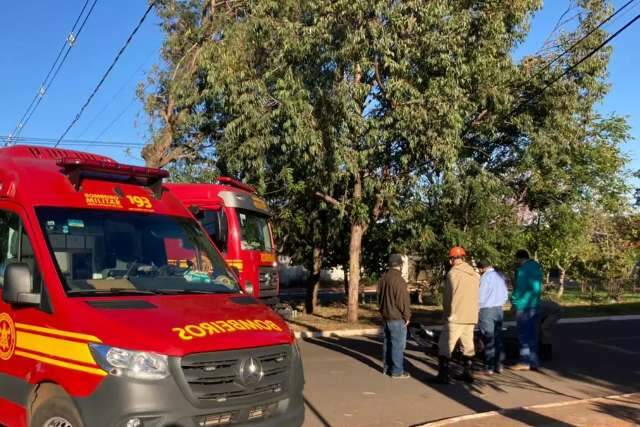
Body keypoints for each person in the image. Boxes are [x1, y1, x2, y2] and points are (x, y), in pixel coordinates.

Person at [436, 246, 480, 384]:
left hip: (456, 316)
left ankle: (443, 375)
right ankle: (468, 373)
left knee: (445, 345)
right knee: (468, 345)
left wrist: (447, 314)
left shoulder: (453, 274)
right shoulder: (474, 274)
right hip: (471, 316)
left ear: (452, 259)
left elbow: (448, 298)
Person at [377, 254, 411, 379]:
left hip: (386, 316)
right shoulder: (399, 280)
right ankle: (397, 371)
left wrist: (382, 311)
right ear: (400, 265)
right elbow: (403, 301)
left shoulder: (383, 279)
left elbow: (379, 298)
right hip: (397, 317)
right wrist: (407, 316)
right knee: (397, 345)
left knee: (388, 343)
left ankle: (387, 368)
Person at [511, 249, 543, 371]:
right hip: (535, 305)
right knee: (533, 335)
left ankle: (524, 361)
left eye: (517, 260)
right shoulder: (536, 268)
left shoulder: (523, 270)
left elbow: (519, 289)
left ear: (519, 258)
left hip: (523, 306)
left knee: (523, 335)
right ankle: (533, 361)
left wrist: (514, 303)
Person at [477, 259, 508, 375]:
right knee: (498, 338)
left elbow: (480, 296)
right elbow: (505, 295)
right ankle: (499, 365)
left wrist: (477, 308)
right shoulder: (500, 276)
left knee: (488, 338)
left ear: (481, 268)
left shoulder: (485, 277)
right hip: (499, 310)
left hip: (487, 310)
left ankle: (488, 367)